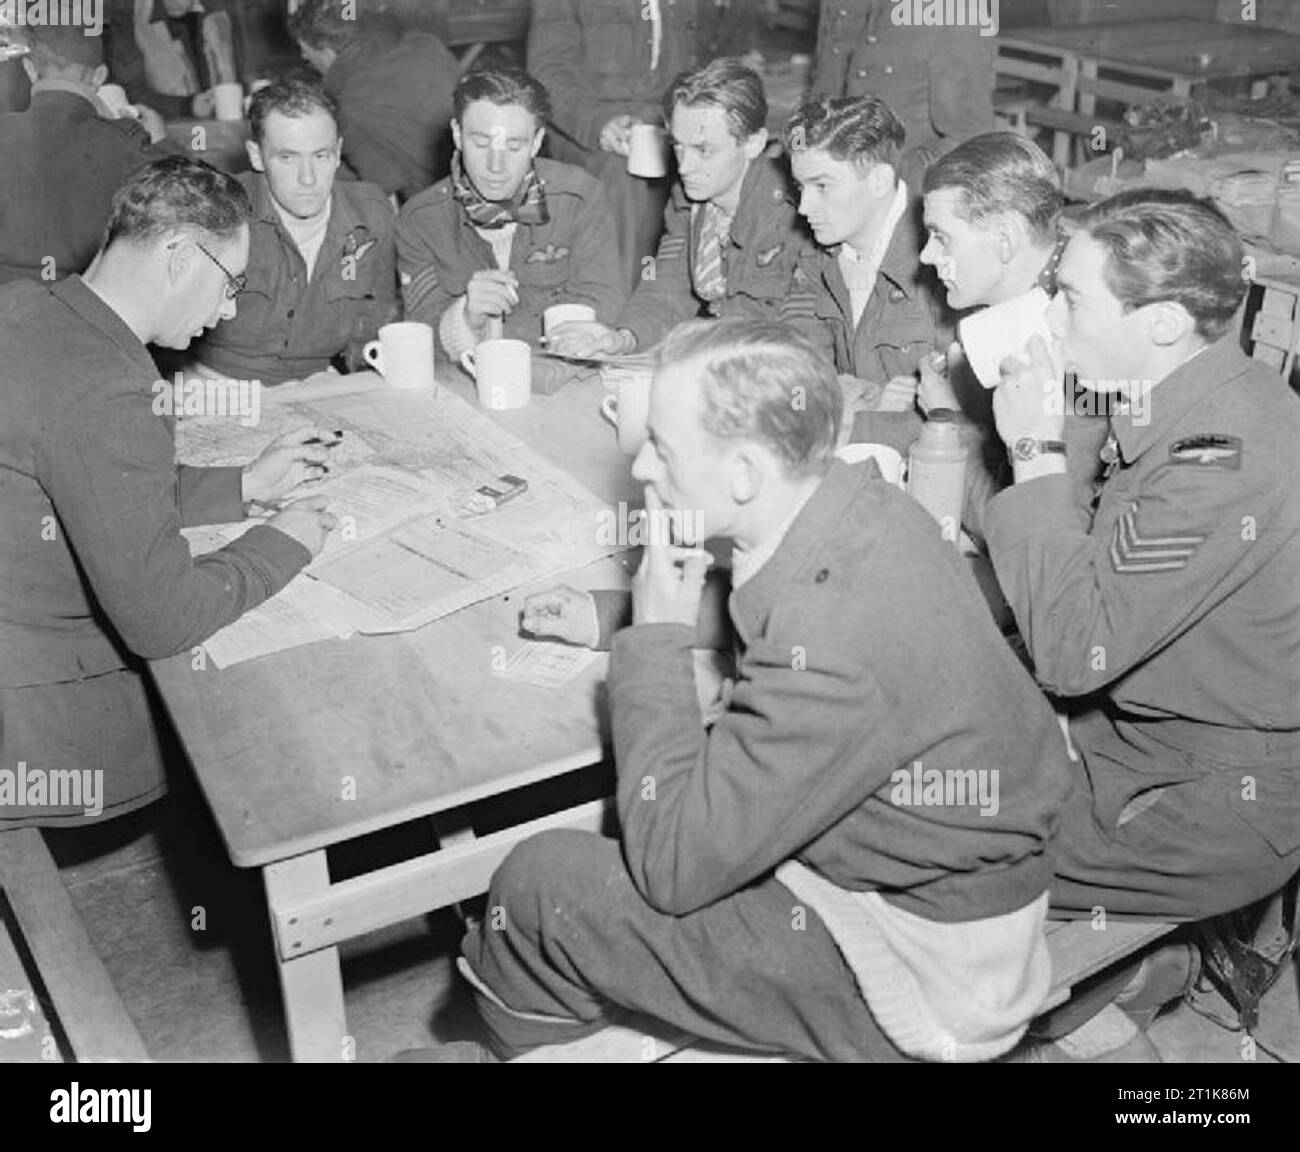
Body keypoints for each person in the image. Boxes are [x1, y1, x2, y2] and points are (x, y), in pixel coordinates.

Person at [410, 318, 1074, 1063]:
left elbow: (673, 871)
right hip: (935, 877)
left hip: (921, 969)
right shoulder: (865, 504)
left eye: (662, 444)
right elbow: (772, 597)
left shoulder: (823, 651)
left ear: (745, 475)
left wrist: (654, 641)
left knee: (538, 886)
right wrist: (614, 613)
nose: (644, 466)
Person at [987, 189, 1300, 926]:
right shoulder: (1204, 387)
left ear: (1161, 323)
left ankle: (1109, 997)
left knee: (907, 844)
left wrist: (1032, 450)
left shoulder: (1220, 460)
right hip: (1134, 735)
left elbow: (1071, 651)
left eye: (1070, 301)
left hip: (1205, 794)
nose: (1051, 322)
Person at [0, 156, 339, 828]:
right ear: (180, 254)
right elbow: (163, 620)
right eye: (231, 283)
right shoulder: (110, 389)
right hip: (35, 719)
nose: (230, 309)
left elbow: (89, 488)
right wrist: (281, 543)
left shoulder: (29, 303)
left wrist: (240, 485)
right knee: (282, 736)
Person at [547, 59, 807, 359]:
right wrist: (623, 338)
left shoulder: (790, 212)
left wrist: (694, 343)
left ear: (753, 143)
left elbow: (785, 326)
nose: (684, 167)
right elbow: (667, 286)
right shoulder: (689, 199)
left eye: (703, 149)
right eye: (678, 146)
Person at [395, 65, 625, 362]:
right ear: (457, 134)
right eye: (481, 143)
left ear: (537, 142)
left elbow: (604, 301)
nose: (496, 165)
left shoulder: (580, 197)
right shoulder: (420, 220)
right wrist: (465, 318)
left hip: (560, 372)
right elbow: (419, 339)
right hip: (466, 380)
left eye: (514, 146)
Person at [191, 77, 397, 385]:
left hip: (319, 383)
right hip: (215, 383)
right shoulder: (215, 213)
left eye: (321, 155)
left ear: (338, 152)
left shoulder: (371, 214)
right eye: (287, 157)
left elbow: (374, 325)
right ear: (256, 155)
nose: (308, 179)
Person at [781, 94, 952, 431]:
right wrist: (870, 401)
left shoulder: (941, 261)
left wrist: (858, 412)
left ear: (878, 181)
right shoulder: (817, 250)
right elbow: (796, 369)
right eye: (801, 187)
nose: (803, 208)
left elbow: (958, 416)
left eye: (822, 186)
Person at [527, 0, 702, 287]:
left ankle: (687, 295)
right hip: (588, 127)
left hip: (666, 118)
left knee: (724, 158)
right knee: (625, 173)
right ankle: (619, 306)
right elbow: (547, 73)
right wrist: (598, 123)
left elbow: (698, 63)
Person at [0, 23, 167, 285]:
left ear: (30, 70)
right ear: (99, 77)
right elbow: (191, 201)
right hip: (83, 309)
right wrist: (160, 141)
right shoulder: (124, 140)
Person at [289, 0, 458, 203]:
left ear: (325, 50)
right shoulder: (426, 45)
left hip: (441, 210)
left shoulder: (349, 109)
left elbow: (383, 189)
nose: (303, 56)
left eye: (304, 50)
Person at [810, 0, 997, 182]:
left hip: (895, 192)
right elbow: (819, 102)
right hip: (828, 173)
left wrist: (890, 184)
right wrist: (795, 144)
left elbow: (971, 140)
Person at [129, 0, 241, 120]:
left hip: (223, 127)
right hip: (168, 130)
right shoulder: (132, 22)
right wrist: (187, 106)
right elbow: (130, 93)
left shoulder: (221, 17)